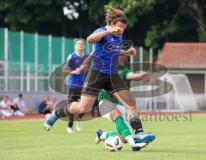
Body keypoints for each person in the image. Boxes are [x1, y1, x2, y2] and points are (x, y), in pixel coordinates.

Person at [45, 5, 155, 151]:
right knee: (83, 107)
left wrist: (126, 52)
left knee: (130, 103)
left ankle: (139, 134)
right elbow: (90, 39)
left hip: (111, 75)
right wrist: (108, 31)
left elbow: (114, 50)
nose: (121, 31)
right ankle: (56, 114)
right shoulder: (102, 31)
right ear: (111, 24)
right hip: (96, 74)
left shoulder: (119, 35)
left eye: (123, 29)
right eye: (119, 28)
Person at [62, 38, 88, 133]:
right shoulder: (71, 56)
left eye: (82, 44)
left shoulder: (87, 56)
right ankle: (70, 126)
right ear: (75, 46)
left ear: (84, 46)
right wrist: (74, 71)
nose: (80, 45)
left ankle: (79, 119)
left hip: (84, 85)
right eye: (78, 43)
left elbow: (91, 68)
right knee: (71, 106)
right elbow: (64, 70)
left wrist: (86, 69)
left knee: (85, 106)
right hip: (73, 85)